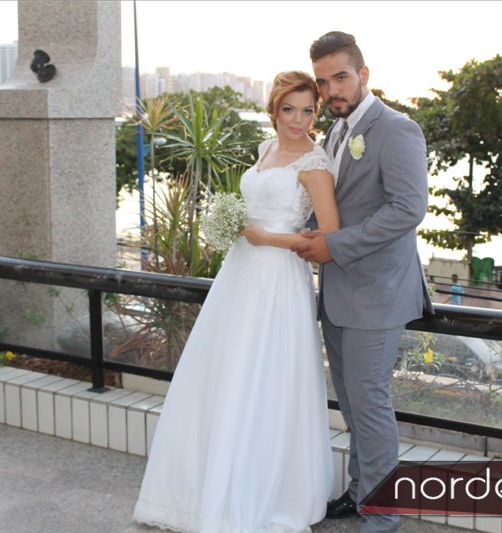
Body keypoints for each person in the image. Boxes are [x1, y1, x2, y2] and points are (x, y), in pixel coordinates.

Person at [134, 71, 338, 533]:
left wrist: (268, 238)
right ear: (274, 110)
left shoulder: (315, 163)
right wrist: (231, 225)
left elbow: (329, 237)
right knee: (226, 372)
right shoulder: (266, 150)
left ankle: (261, 492)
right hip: (240, 274)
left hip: (278, 281)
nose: (298, 120)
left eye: (308, 111)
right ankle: (210, 485)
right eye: (290, 109)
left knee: (265, 376)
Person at [293, 32, 433, 532]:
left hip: (378, 294)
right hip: (337, 293)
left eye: (341, 77)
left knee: (370, 405)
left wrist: (334, 246)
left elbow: (407, 209)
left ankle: (382, 514)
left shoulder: (397, 129)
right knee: (353, 405)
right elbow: (336, 207)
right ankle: (359, 494)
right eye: (323, 81)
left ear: (363, 75)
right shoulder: (335, 132)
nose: (331, 90)